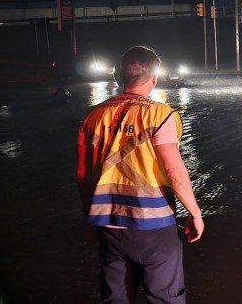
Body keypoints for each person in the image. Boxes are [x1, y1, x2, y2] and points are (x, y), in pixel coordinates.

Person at [77, 45, 204, 303]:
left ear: (119, 75)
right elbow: (173, 170)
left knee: (115, 297)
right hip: (154, 227)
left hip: (108, 224)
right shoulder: (161, 115)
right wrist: (195, 212)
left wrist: (90, 215)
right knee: (165, 297)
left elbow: (82, 174)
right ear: (154, 77)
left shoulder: (91, 116)